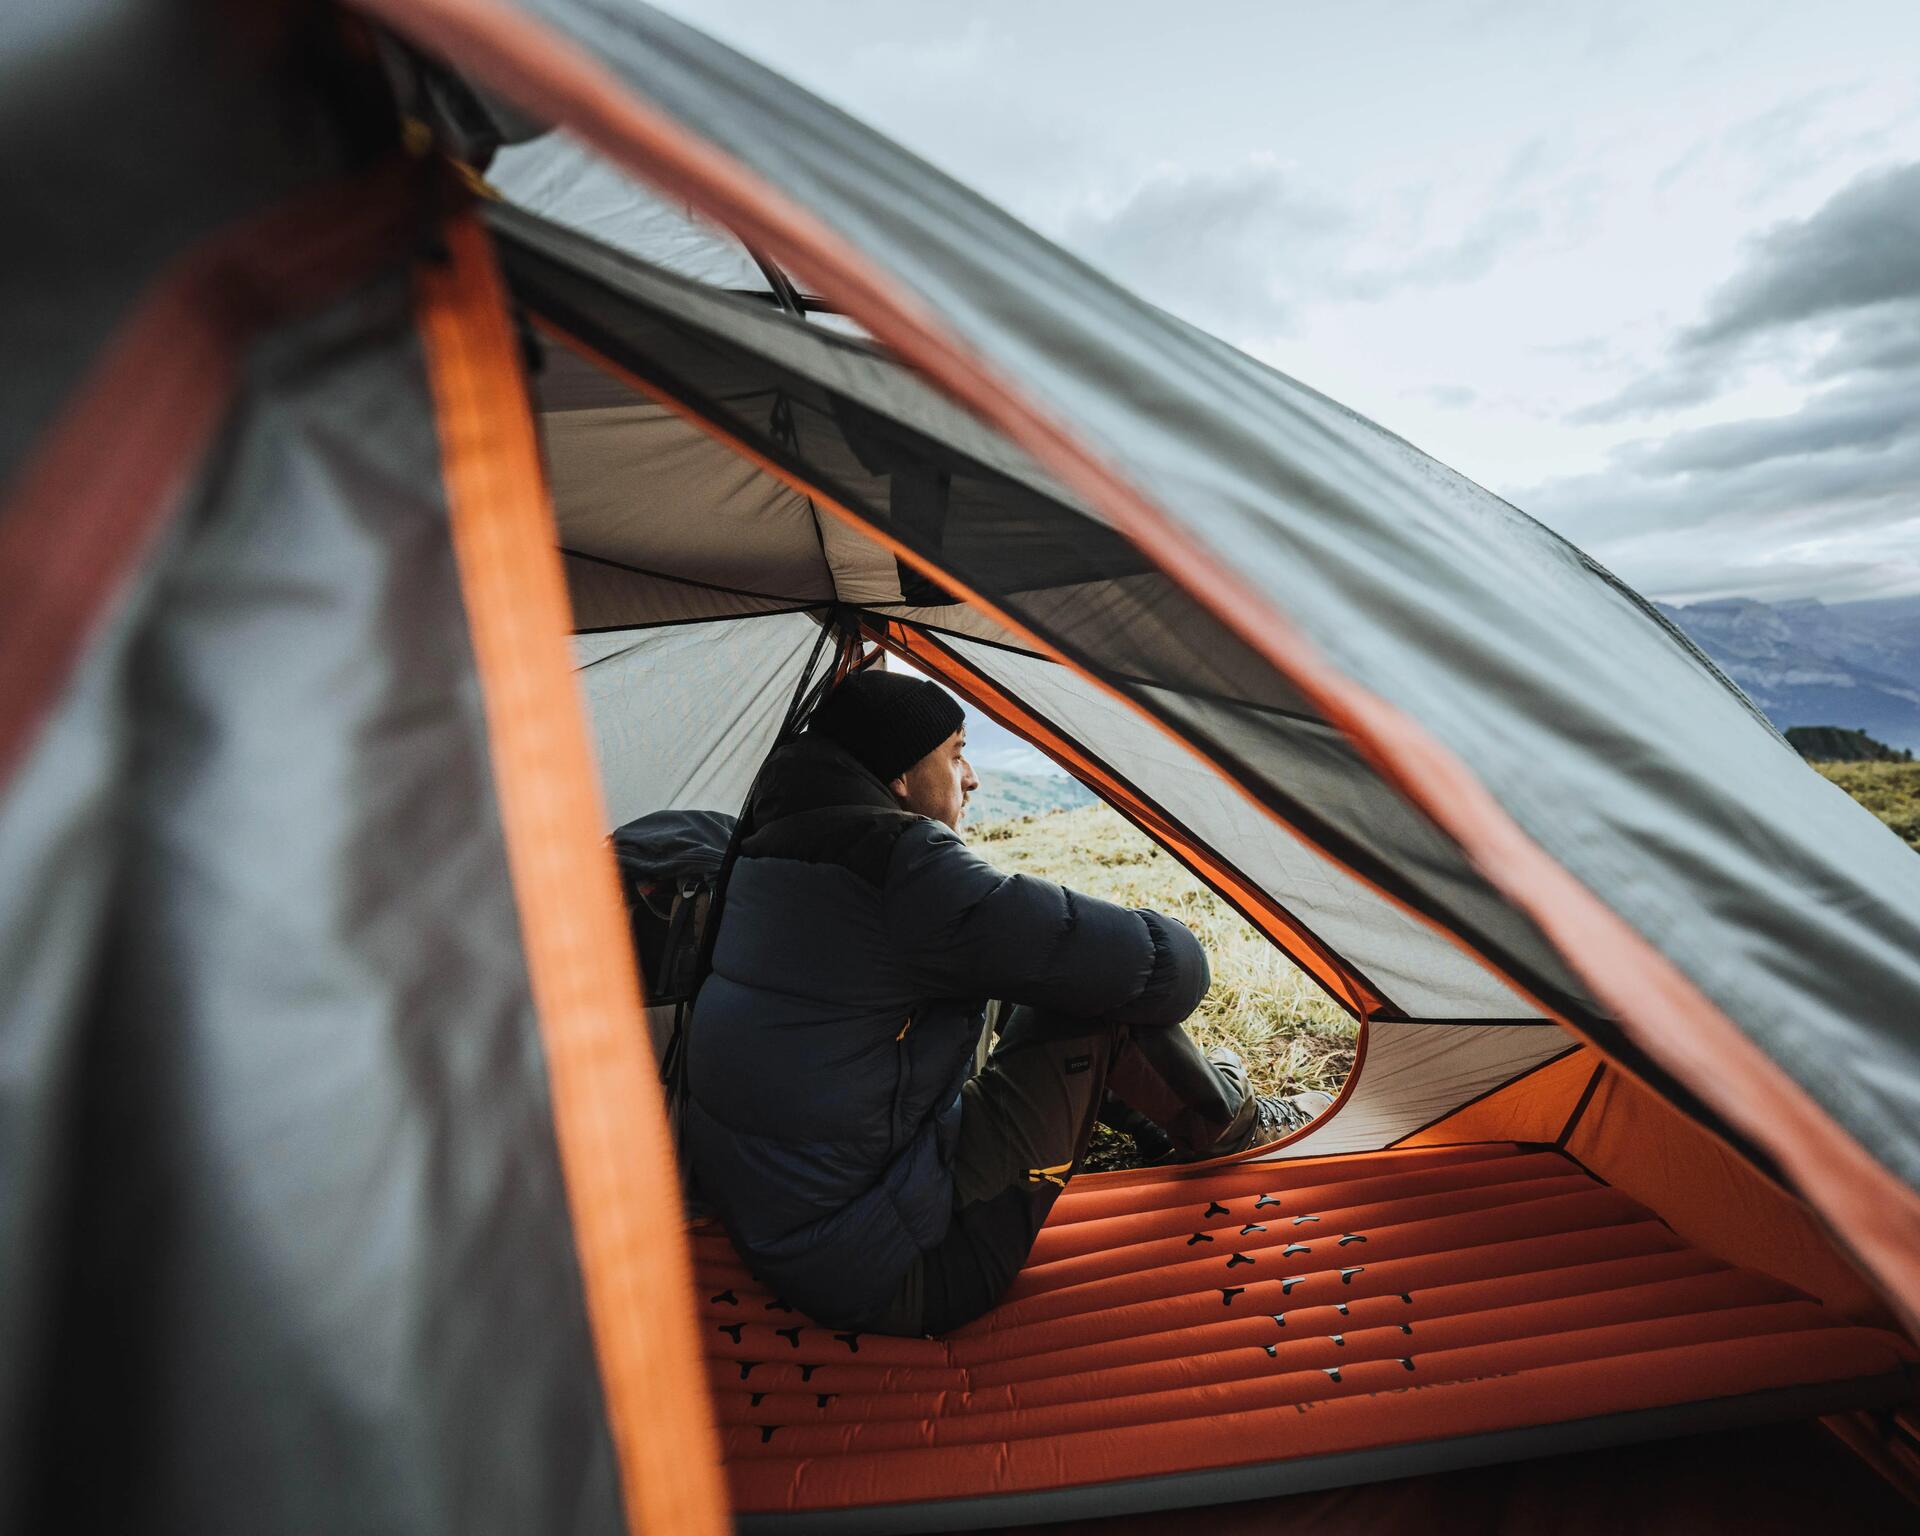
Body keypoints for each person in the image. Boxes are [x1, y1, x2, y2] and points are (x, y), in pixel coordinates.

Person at [683, 668, 1314, 1337]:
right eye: (956, 754)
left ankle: (1173, 1128)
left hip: (792, 1232)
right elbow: (1172, 973)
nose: (972, 777)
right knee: (1093, 992)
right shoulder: (899, 864)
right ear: (900, 774)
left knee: (1036, 974)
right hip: (900, 1271)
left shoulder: (762, 850)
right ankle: (1231, 1127)